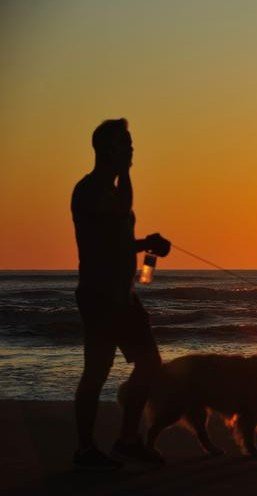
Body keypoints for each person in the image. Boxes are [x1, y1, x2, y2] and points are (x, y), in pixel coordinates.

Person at [71, 118, 171, 470]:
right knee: (96, 373)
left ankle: (128, 440)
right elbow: (111, 239)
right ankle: (85, 450)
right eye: (124, 143)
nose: (130, 148)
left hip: (124, 296)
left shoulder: (114, 191)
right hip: (100, 297)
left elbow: (122, 231)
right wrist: (144, 243)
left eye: (130, 143)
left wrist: (147, 244)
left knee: (149, 363)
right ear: (105, 149)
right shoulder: (90, 190)